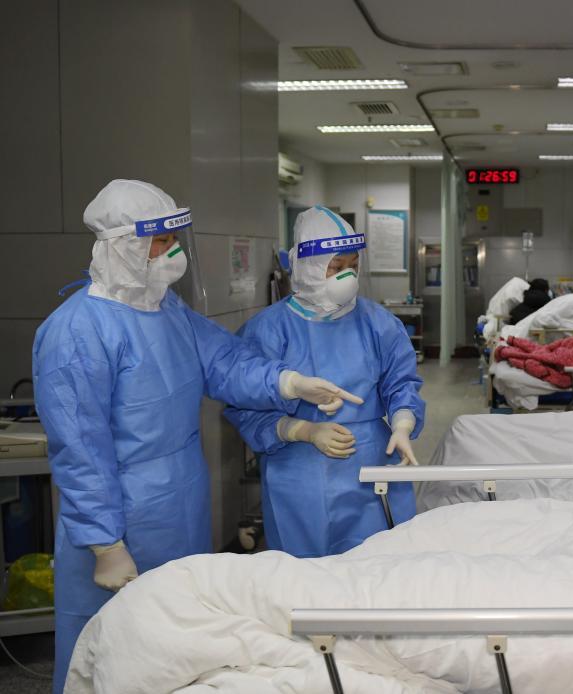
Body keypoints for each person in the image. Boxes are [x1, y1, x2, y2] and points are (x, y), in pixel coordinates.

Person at [33, 180, 360, 694]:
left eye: (174, 240)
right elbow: (80, 450)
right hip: (122, 515)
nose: (174, 253)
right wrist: (104, 542)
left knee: (175, 643)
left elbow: (225, 363)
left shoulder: (168, 311)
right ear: (123, 246)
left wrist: (288, 383)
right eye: (160, 242)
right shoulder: (76, 331)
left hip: (182, 500)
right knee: (108, 648)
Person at [224, 205, 425, 558]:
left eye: (353, 265)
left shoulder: (378, 323)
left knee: (379, 567)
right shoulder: (267, 330)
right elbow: (244, 404)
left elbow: (401, 382)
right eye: (336, 266)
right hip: (297, 471)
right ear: (307, 266)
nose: (347, 276)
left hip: (372, 462)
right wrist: (301, 430)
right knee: (305, 573)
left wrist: (403, 424)